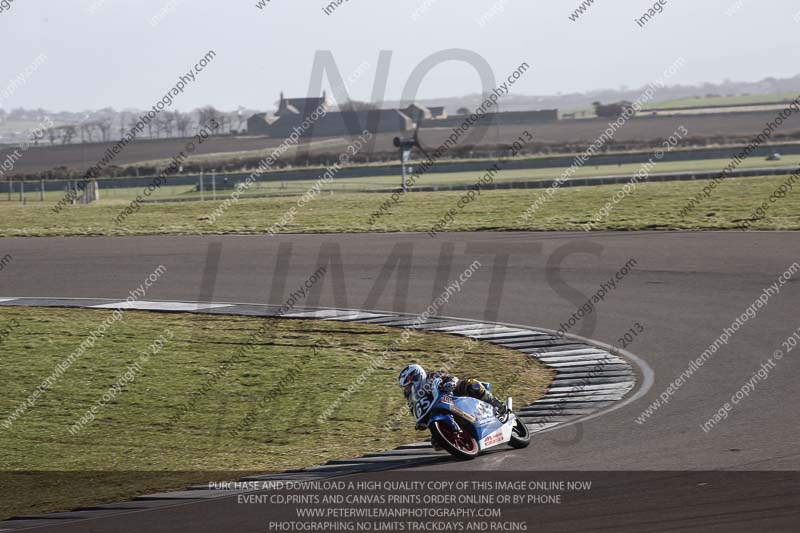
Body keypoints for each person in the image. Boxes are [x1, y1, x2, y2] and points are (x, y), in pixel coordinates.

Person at [397, 364, 507, 433]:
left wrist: (450, 383)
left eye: (408, 386)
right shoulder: (412, 398)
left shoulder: (431, 376)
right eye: (405, 387)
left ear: (416, 378)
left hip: (454, 396)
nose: (407, 389)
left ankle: (497, 404)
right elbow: (415, 411)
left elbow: (450, 377)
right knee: (435, 443)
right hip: (439, 410)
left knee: (471, 384)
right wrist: (420, 423)